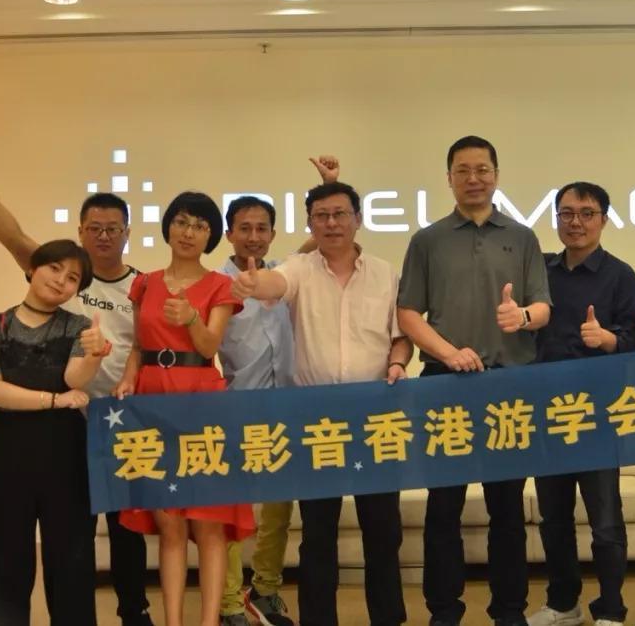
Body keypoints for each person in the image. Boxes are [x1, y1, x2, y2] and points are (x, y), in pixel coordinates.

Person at [0, 151, 154, 626]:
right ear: (80, 231)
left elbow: (144, 347)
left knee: (121, 528)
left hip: (120, 420)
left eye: (113, 228)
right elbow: (12, 235)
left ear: (127, 233)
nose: (103, 235)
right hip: (68, 420)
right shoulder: (45, 290)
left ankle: (134, 611)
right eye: (94, 227)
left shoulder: (144, 286)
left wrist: (117, 370)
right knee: (39, 544)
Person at [231, 181, 413, 626]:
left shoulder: (386, 273)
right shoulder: (298, 269)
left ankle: (388, 619)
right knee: (318, 534)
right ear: (310, 223)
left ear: (358, 219)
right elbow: (274, 283)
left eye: (340, 214)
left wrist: (397, 362)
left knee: (383, 532)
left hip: (375, 417)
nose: (331, 223)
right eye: (321, 216)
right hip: (317, 420)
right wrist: (255, 282)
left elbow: (401, 336)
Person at [396, 135, 551, 626]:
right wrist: (448, 353)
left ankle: (509, 611)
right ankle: (444, 611)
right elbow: (408, 313)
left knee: (507, 508)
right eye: (462, 170)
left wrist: (521, 316)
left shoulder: (523, 237)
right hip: (445, 384)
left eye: (482, 169)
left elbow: (543, 308)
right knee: (444, 507)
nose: (473, 178)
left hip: (509, 387)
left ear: (496, 175)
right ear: (449, 178)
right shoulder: (427, 240)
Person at [114, 191, 255, 626]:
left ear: (211, 236)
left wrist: (191, 318)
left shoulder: (219, 286)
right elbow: (138, 345)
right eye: (181, 222)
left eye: (199, 225)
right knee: (169, 523)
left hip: (201, 399)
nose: (188, 232)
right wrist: (128, 378)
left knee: (208, 523)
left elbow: (210, 346)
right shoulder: (145, 283)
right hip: (153, 399)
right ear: (168, 227)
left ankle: (209, 621)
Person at [218, 155, 339, 626]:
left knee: (278, 509)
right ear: (229, 233)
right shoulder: (216, 285)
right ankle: (230, 601)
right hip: (235, 406)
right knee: (232, 509)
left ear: (271, 233)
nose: (254, 236)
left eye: (262, 228)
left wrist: (328, 185)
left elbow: (321, 239)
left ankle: (265, 589)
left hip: (287, 405)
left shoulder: (286, 273)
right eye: (244, 228)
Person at [0, 239, 106, 626]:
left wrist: (94, 355)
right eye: (54, 268)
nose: (61, 280)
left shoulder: (79, 327)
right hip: (8, 451)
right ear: (32, 269)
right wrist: (54, 400)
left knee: (72, 560)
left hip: (67, 452)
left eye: (72, 277)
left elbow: (74, 380)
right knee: (5, 560)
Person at [526, 182, 635, 626]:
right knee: (553, 518)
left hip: (597, 416)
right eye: (567, 213)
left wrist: (608, 338)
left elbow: (634, 341)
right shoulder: (541, 271)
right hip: (547, 414)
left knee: (605, 521)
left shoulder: (621, 276)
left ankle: (611, 609)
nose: (576, 222)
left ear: (604, 220)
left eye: (587, 213)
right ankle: (563, 603)